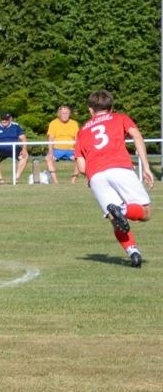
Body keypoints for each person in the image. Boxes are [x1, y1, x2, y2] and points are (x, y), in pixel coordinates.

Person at [75, 90, 153, 267]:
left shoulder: (82, 131)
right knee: (146, 212)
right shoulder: (120, 118)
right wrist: (146, 166)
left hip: (95, 175)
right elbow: (136, 136)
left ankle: (133, 252)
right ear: (111, 107)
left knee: (114, 218)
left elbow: (81, 167)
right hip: (119, 167)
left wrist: (93, 175)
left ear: (90, 110)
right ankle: (124, 210)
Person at [0, 112, 29, 184]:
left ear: (10, 119)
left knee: (24, 157)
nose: (4, 121)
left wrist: (24, 149)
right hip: (0, 149)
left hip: (15, 149)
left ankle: (16, 178)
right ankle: (1, 180)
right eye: (2, 119)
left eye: (6, 119)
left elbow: (23, 138)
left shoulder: (16, 126)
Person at [45, 105, 80, 185]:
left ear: (70, 114)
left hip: (71, 149)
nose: (65, 115)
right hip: (57, 149)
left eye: (67, 113)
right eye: (63, 113)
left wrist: (77, 151)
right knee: (48, 158)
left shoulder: (74, 123)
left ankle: (73, 181)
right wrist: (51, 152)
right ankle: (55, 181)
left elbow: (77, 139)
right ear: (59, 114)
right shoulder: (53, 123)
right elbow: (51, 138)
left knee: (80, 159)